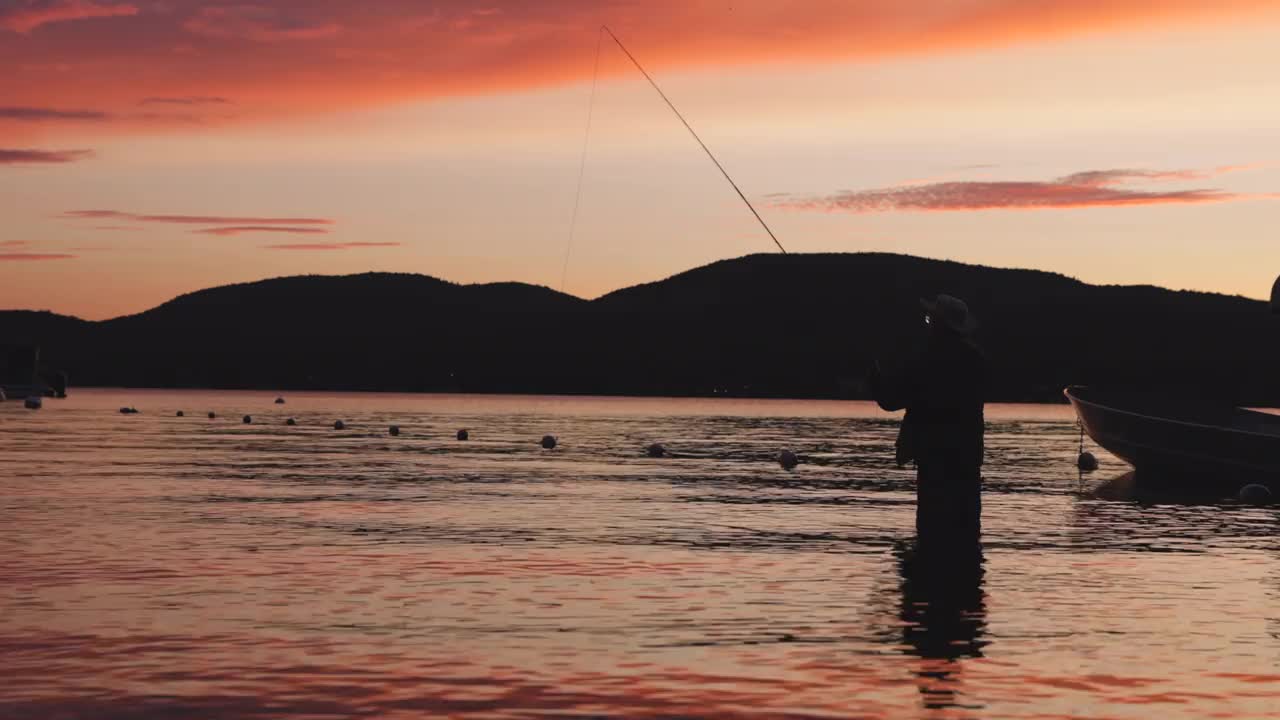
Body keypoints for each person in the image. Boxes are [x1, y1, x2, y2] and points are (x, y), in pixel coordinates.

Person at [870, 294, 986, 545]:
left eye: (929, 319)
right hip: (967, 462)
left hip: (934, 462)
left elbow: (891, 400)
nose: (927, 324)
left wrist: (874, 375)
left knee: (932, 536)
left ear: (939, 324)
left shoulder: (924, 358)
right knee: (966, 539)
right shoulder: (975, 359)